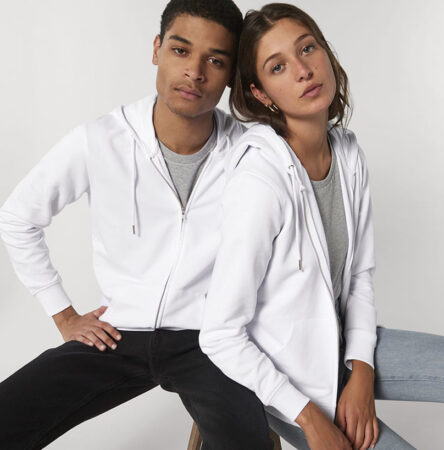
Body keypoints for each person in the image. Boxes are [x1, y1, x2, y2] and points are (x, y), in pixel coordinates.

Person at [0, 1, 275, 449]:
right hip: (118, 334)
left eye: (215, 60)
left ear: (230, 75)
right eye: (181, 51)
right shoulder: (101, 139)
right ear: (156, 49)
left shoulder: (253, 153)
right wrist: (64, 314)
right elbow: (17, 217)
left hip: (212, 342)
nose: (194, 72)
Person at [199, 3, 444, 450]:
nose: (303, 71)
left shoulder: (348, 153)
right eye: (278, 67)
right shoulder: (259, 181)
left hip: (340, 343)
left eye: (307, 49)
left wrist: (361, 370)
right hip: (284, 379)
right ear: (261, 93)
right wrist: (310, 418)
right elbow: (220, 335)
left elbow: (359, 277)